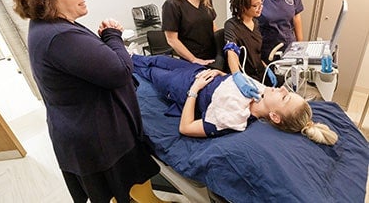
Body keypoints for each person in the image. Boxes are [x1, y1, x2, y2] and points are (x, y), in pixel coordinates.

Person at [10, 0, 168, 203]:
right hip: (100, 143)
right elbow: (120, 71)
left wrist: (106, 43)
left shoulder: (51, 28)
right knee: (123, 195)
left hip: (87, 135)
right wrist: (113, 35)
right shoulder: (60, 36)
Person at [132, 54, 338, 146]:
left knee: (148, 71)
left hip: (184, 86)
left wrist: (194, 90)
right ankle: (125, 53)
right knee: (155, 59)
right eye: (289, 92)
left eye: (285, 97)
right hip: (201, 72)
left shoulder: (235, 119)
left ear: (274, 116)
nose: (283, 88)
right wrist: (221, 73)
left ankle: (117, 56)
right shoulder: (262, 90)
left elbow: (185, 128)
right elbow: (235, 80)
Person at [224, 0, 277, 86]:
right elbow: (231, 51)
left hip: (261, 73)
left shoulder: (256, 23)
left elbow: (256, 54)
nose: (260, 7)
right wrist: (237, 75)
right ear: (243, 7)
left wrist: (266, 68)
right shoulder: (231, 26)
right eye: (255, 5)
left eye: (261, 3)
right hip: (247, 78)